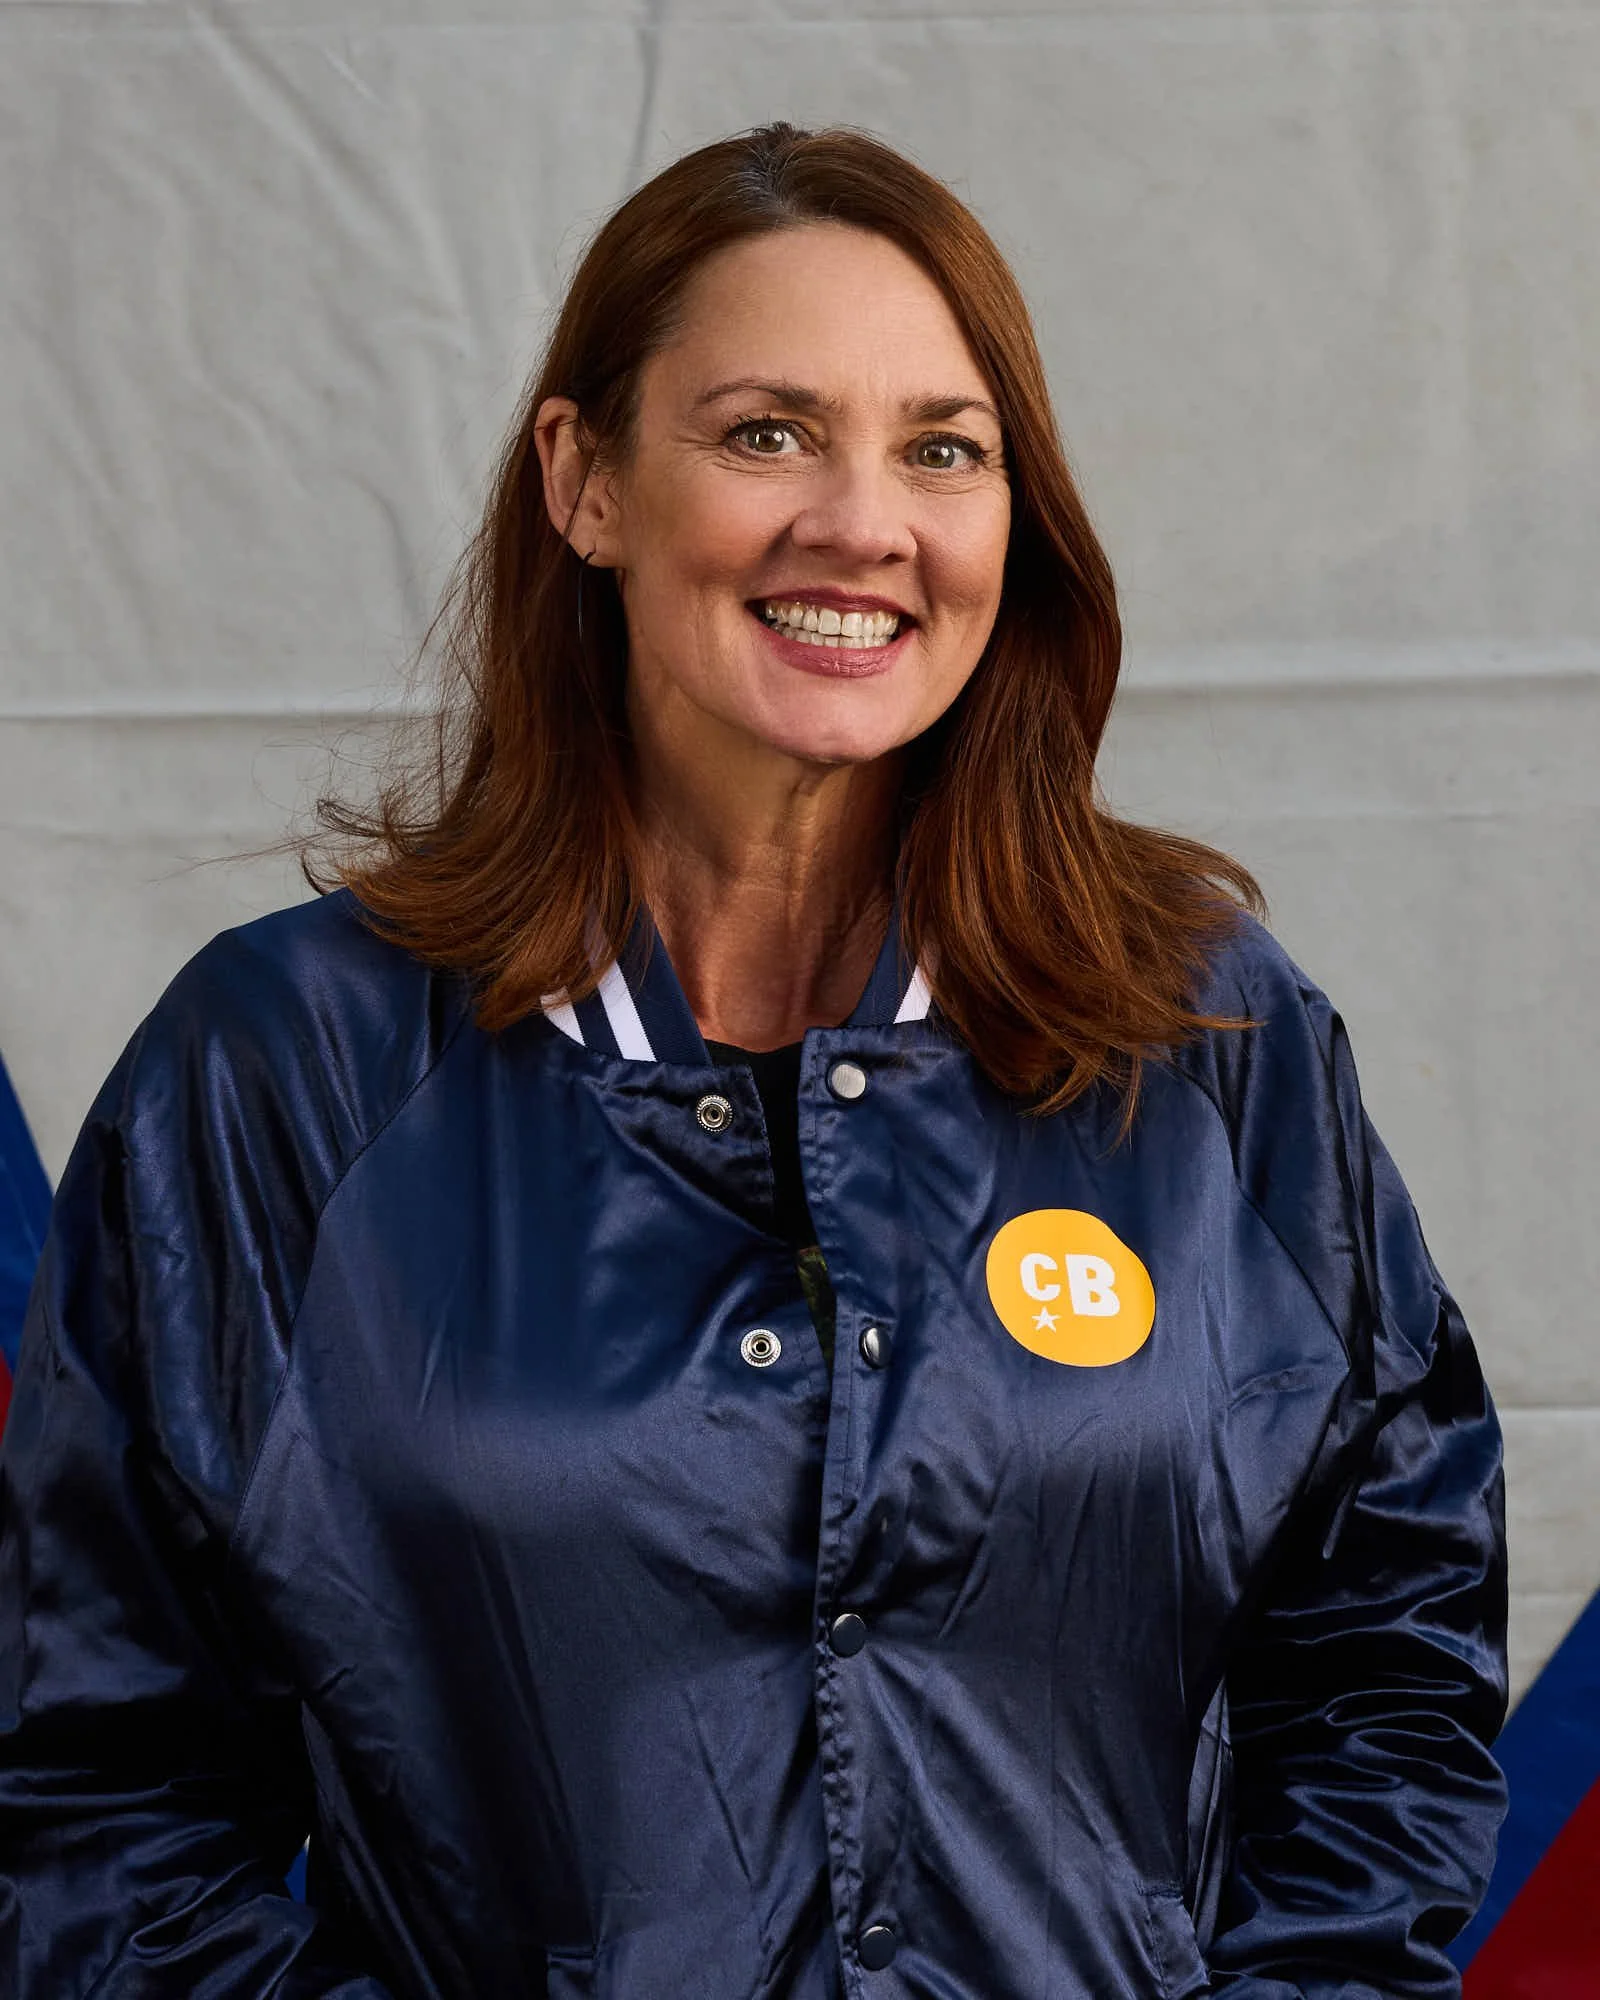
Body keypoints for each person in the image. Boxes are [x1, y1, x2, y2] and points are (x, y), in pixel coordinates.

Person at [0, 123, 1506, 1998]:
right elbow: (93, 1795)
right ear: (587, 481)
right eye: (767, 433)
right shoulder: (281, 1071)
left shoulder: (1203, 1038)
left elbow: (1387, 1657)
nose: (861, 522)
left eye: (941, 449)